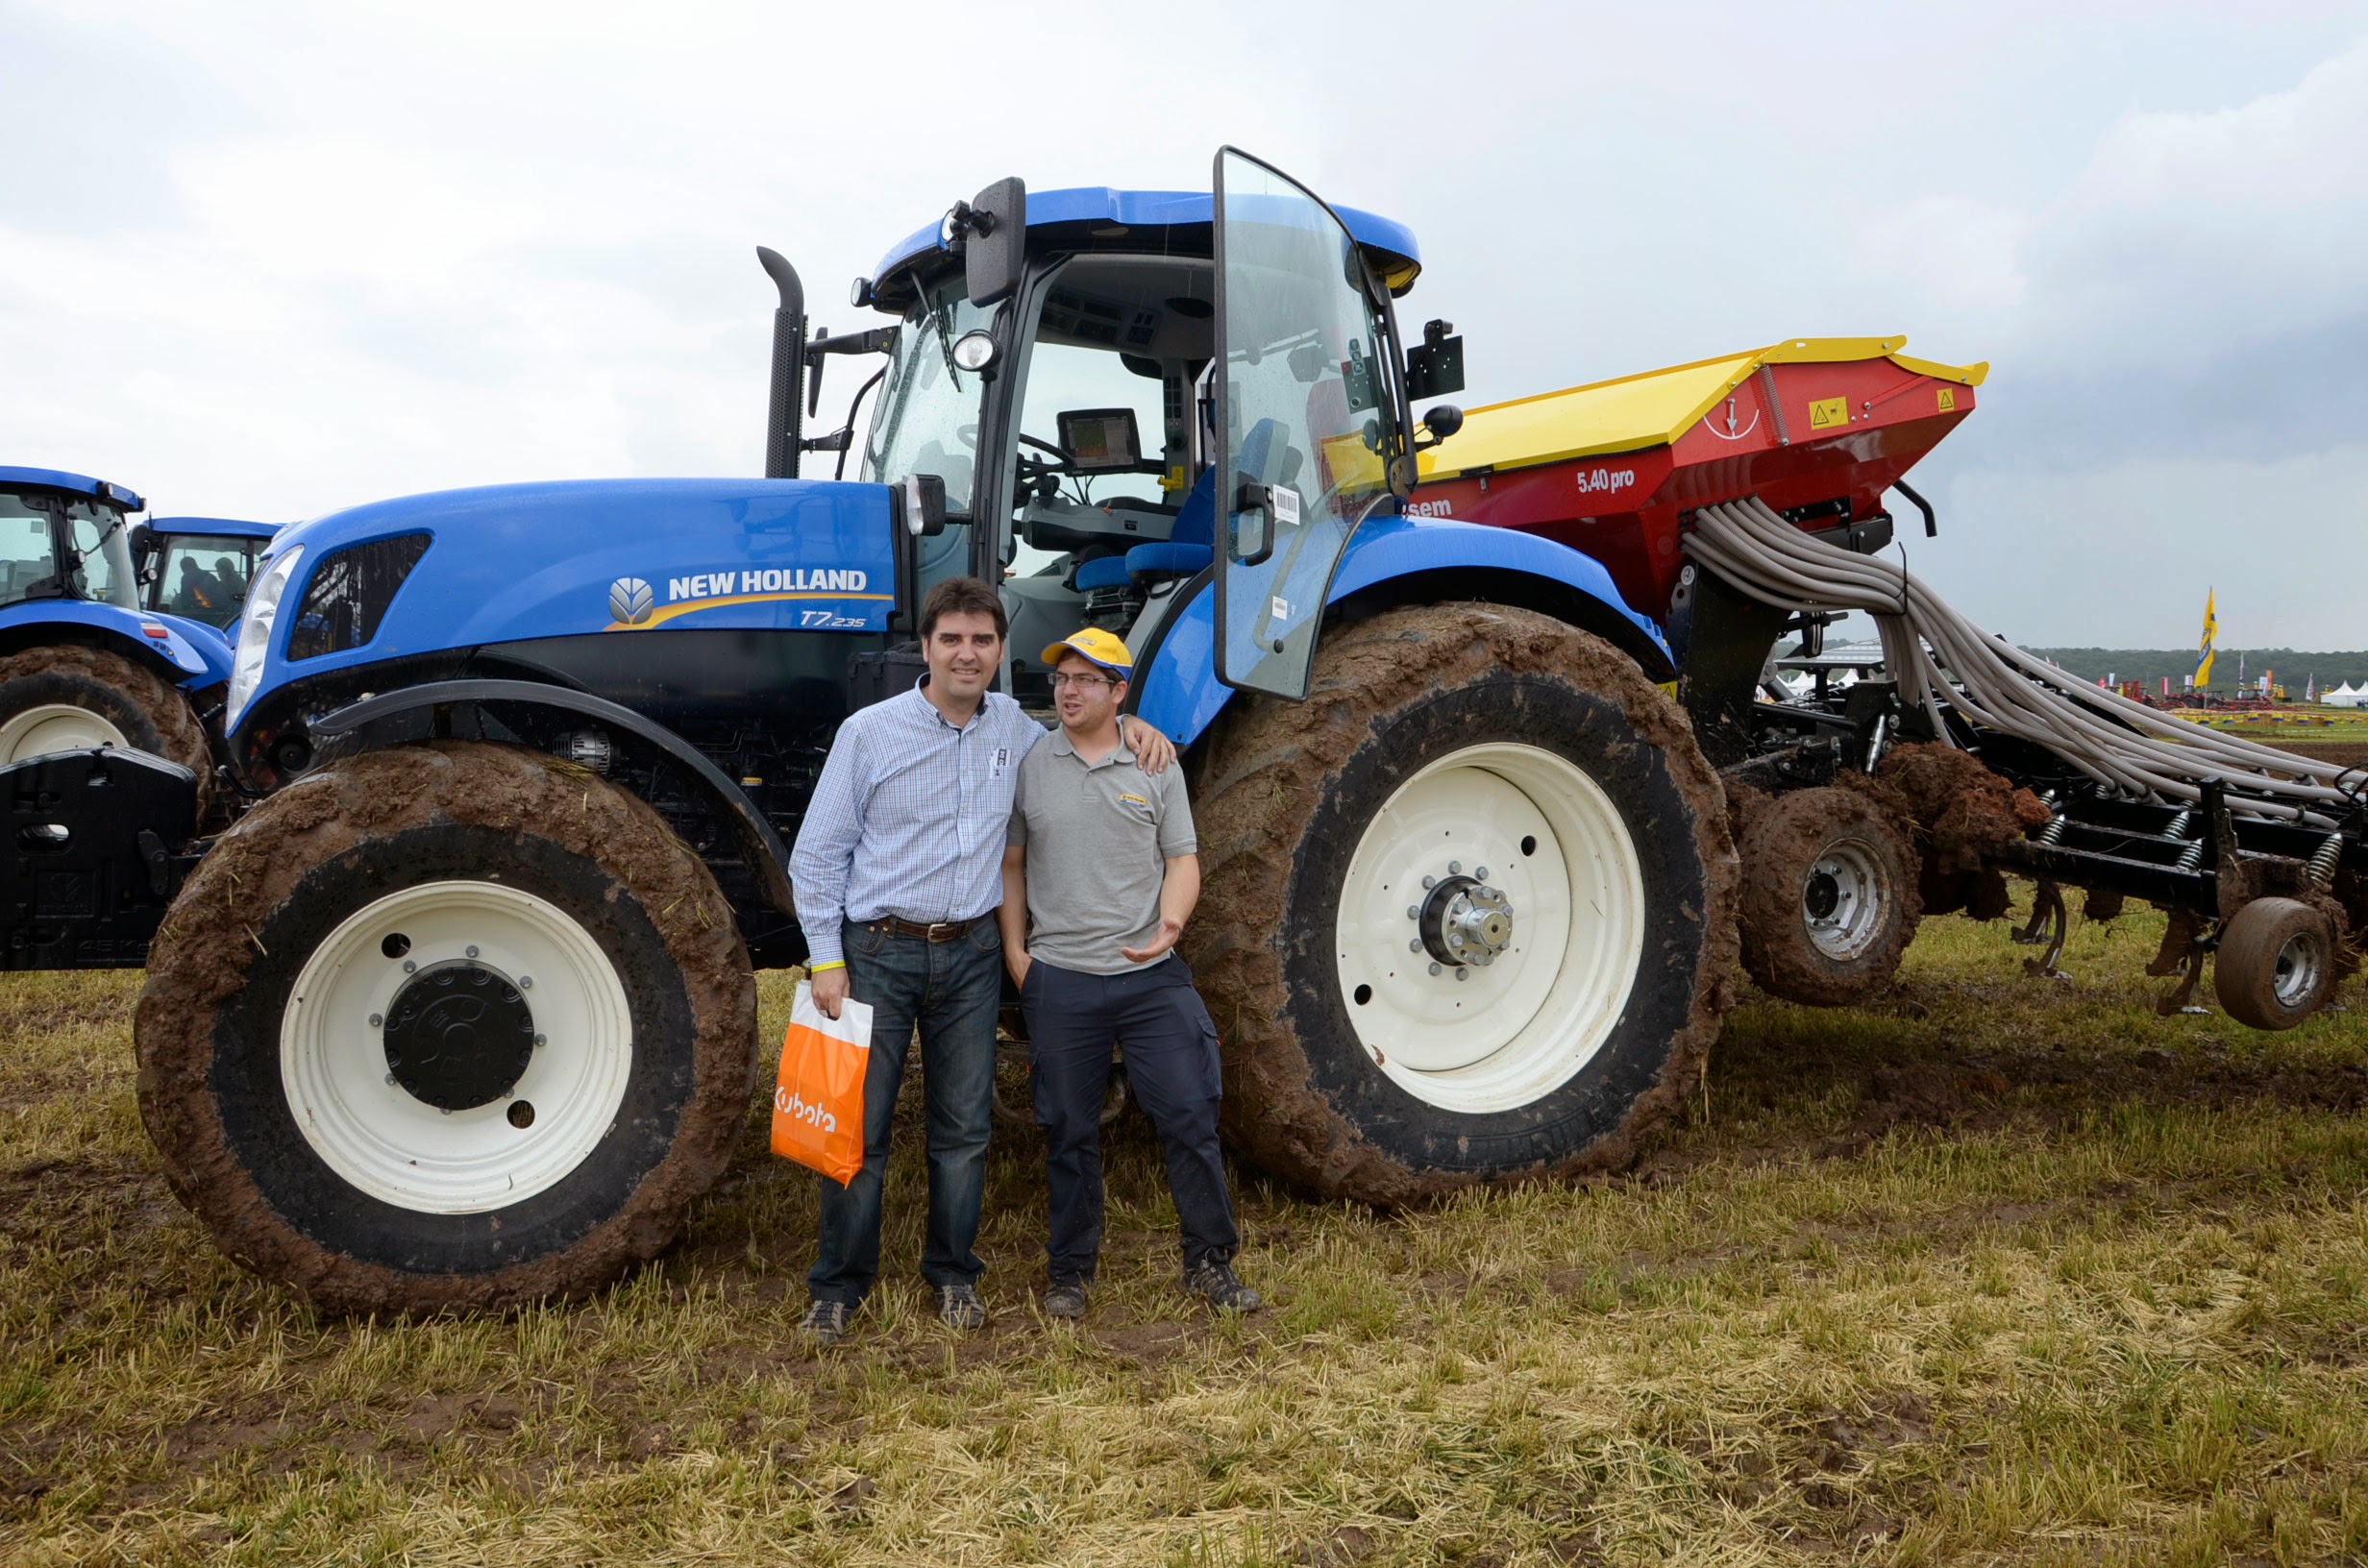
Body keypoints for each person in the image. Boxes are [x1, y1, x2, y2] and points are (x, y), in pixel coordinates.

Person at [788, 577, 1174, 1344]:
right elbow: (819, 854)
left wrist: (1131, 725)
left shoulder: (1017, 730)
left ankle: (954, 1273)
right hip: (879, 952)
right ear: (926, 648)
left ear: (1000, 650)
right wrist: (826, 960)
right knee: (858, 1131)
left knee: (963, 1132)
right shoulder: (870, 733)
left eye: (982, 640)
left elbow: (1083, 733)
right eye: (952, 640)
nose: (967, 654)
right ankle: (838, 1286)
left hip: (969, 956)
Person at [998, 628, 1259, 1321]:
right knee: (1068, 1131)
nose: (1068, 691)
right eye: (1061, 679)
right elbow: (1012, 865)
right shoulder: (1031, 763)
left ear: (1118, 693)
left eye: (1086, 680)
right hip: (1062, 977)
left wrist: (1172, 922)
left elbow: (1181, 860)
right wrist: (1017, 954)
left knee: (1189, 1115)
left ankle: (1210, 1262)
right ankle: (1070, 1273)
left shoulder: (1154, 762)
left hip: (1150, 977)